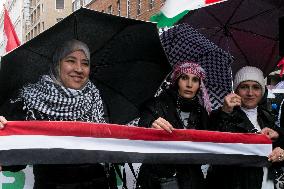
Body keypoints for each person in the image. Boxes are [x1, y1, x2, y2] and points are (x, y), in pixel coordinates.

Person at [0, 39, 115, 189]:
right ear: (57, 64)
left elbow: (112, 146)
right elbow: (16, 158)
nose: (79, 69)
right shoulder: (29, 101)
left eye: (85, 63)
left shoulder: (96, 98)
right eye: (71, 61)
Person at [136, 61, 211, 189]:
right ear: (176, 81)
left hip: (191, 181)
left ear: (200, 85)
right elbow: (142, 127)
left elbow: (207, 151)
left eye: (195, 80)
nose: (189, 84)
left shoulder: (203, 113)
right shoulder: (156, 104)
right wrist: (151, 125)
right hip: (157, 180)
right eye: (184, 78)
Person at [208, 66, 284, 189]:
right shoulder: (220, 114)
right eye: (244, 87)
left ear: (262, 91)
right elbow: (214, 144)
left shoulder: (267, 117)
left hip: (266, 183)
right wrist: (225, 112)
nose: (250, 93)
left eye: (256, 87)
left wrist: (280, 152)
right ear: (236, 90)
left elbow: (276, 150)